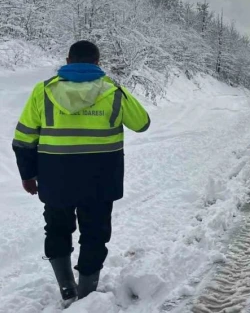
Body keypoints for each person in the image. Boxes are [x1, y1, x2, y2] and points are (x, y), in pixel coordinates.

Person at [12, 40, 150, 306]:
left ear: (68, 60)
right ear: (97, 63)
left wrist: (27, 175)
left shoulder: (43, 91)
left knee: (57, 229)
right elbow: (142, 123)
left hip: (55, 179)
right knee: (95, 234)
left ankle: (66, 287)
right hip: (101, 179)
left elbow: (24, 139)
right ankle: (87, 293)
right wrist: (118, 89)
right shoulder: (113, 91)